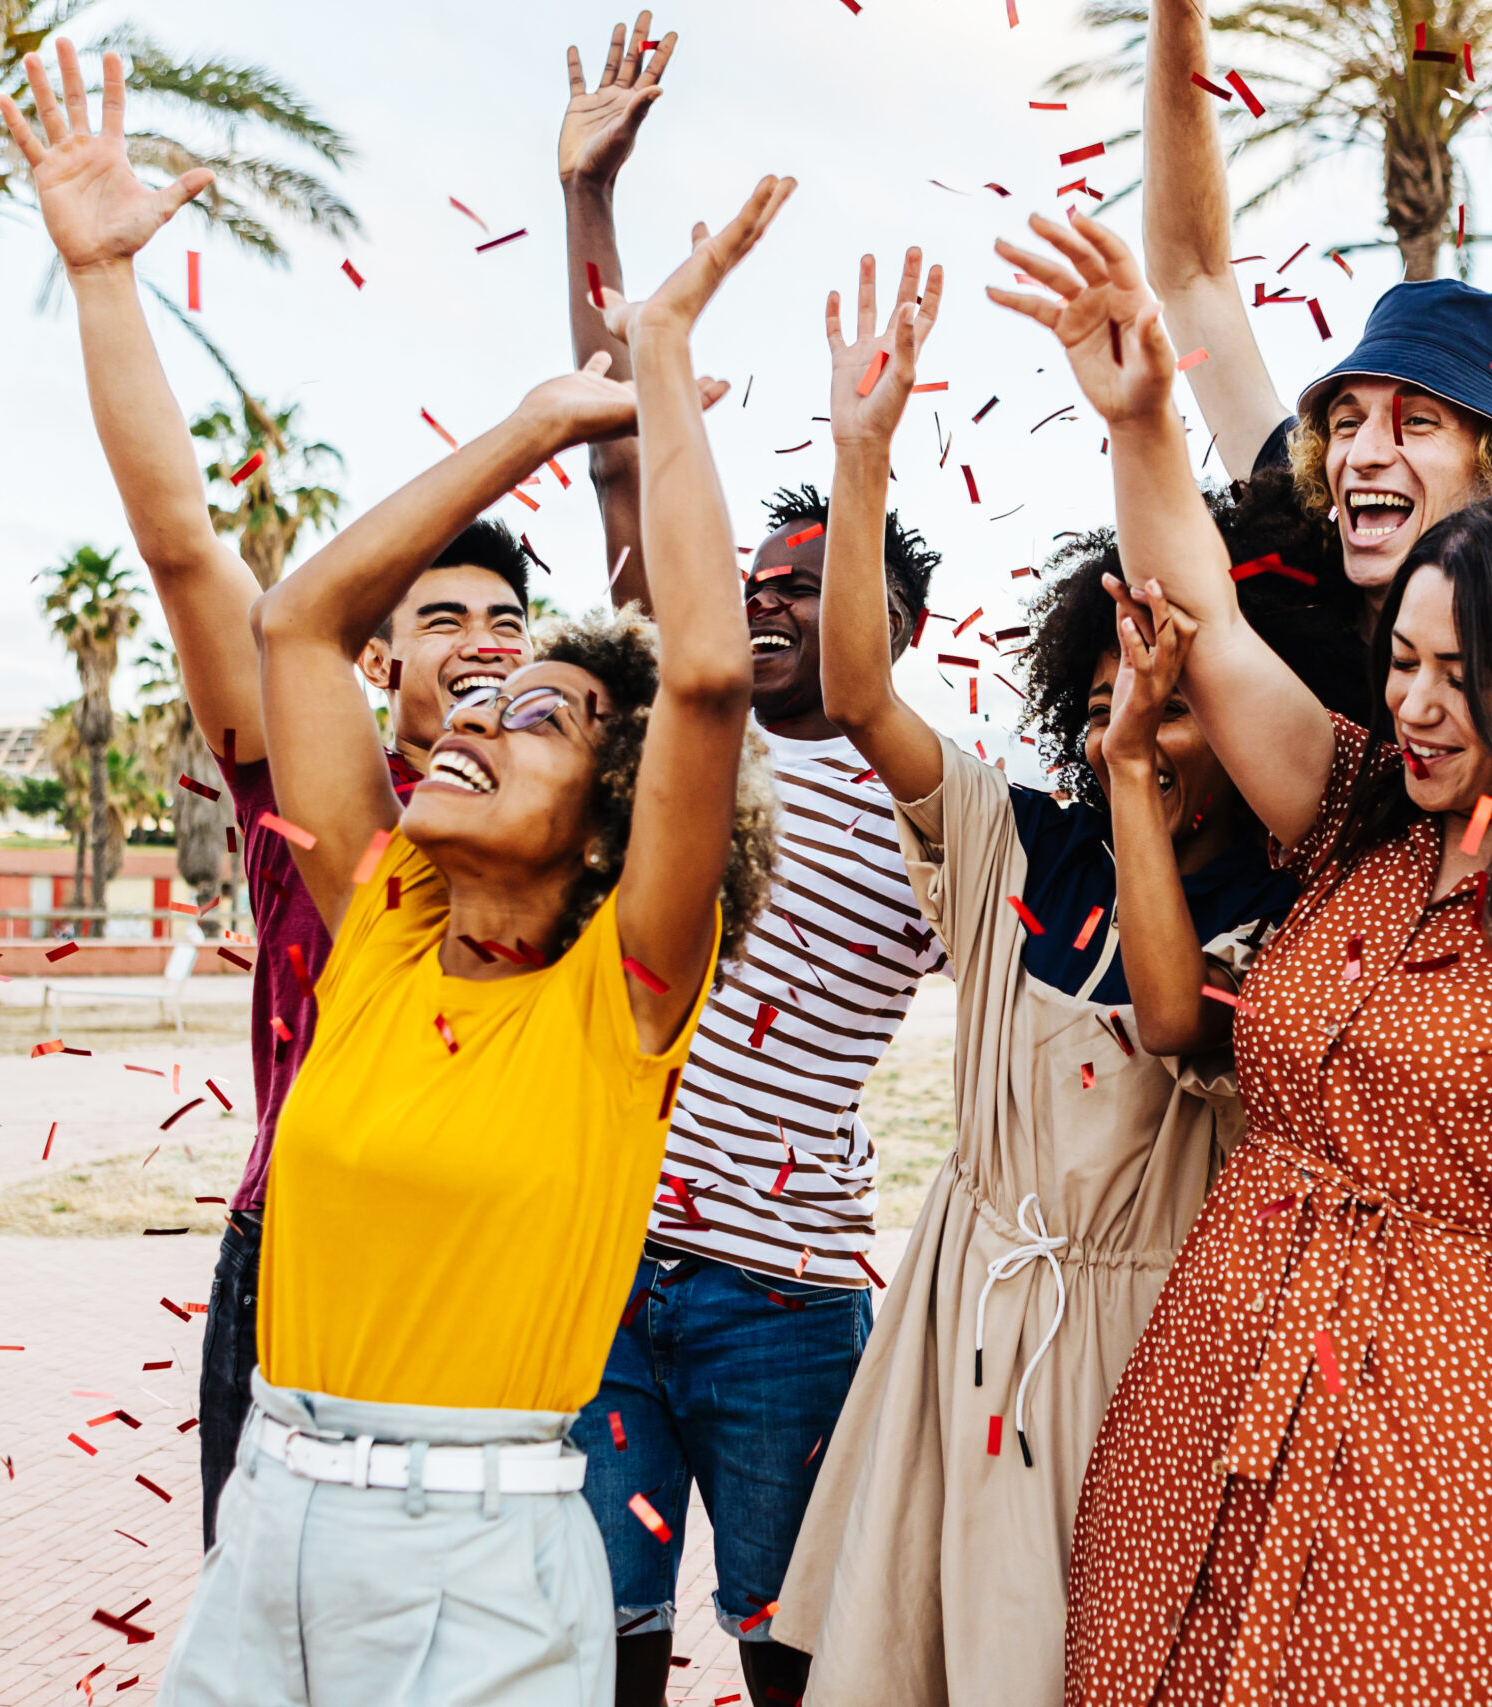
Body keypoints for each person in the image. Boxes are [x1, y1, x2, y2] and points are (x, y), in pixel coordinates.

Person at [991, 210, 1492, 1705]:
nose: (1419, 706)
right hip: (1207, 1384)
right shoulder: (1368, 809)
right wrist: (1138, 416)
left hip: (1430, 1439)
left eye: (1461, 674)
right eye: (1406, 665)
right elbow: (1217, 635)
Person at [149, 174, 791, 1707]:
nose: (483, 722)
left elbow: (704, 678)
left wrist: (665, 352)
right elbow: (299, 621)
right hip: (269, 1535)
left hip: (478, 1575)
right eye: (484, 702)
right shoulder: (378, 928)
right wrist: (532, 424)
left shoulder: (622, 1000)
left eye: (546, 717)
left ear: (614, 817)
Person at [771, 249, 1365, 1707]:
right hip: (966, 1311)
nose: (1136, 743)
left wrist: (1135, 782)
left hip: (1145, 1349)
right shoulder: (1012, 846)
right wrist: (861, 464)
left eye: (1171, 716)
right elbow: (858, 697)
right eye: (1107, 713)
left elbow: (1174, 1023)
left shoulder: (1283, 918)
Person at [0, 41, 544, 1551]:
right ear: (371, 664)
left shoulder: (586, 835)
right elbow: (181, 546)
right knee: (271, 1628)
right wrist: (106, 277)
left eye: (507, 624)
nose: (484, 644)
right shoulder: (321, 788)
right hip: (294, 1250)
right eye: (440, 621)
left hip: (505, 1272)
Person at [1138, 7, 1492, 1681]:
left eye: (1412, 419)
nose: (1360, 447)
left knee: (1489, 1639)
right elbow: (1195, 277)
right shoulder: (1322, 543)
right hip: (1284, 1151)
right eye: (1346, 412)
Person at [554, 23, 947, 1704]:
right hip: (604, 1264)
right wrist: (586, 192)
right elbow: (627, 443)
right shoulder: (669, 729)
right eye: (757, 584)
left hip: (788, 1303)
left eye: (811, 585)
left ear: (892, 624)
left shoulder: (946, 812)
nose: (769, 605)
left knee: (796, 1658)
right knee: (603, 1646)